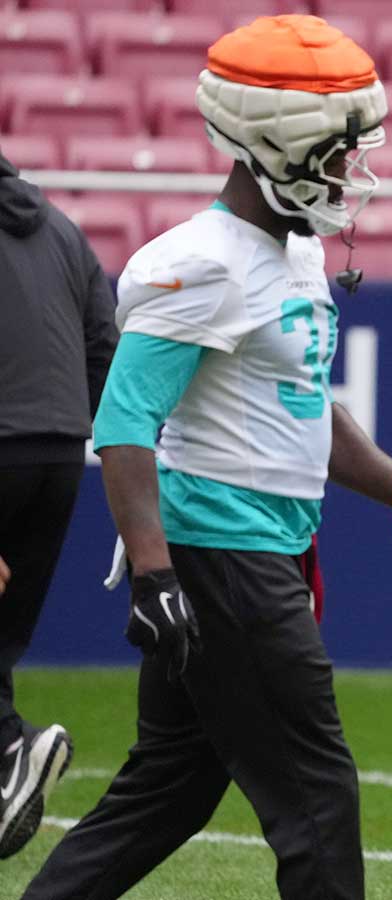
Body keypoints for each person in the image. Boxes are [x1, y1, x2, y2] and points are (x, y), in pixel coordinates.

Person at [23, 16, 392, 899]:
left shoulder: (291, 252)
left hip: (260, 548)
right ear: (284, 144)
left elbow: (309, 404)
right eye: (340, 152)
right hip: (223, 554)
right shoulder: (201, 262)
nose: (353, 171)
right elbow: (122, 424)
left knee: (170, 790)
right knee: (316, 796)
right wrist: (154, 577)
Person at [0, 149, 118, 858]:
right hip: (59, 454)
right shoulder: (64, 230)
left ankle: (14, 747)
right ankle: (12, 763)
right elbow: (106, 349)